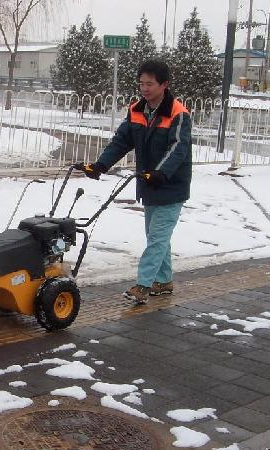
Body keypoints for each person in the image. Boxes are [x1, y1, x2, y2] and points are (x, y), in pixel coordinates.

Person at [81, 59, 192, 304]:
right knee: (157, 236)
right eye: (141, 83)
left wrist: (161, 173)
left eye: (149, 84)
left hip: (170, 185)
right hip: (148, 183)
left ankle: (143, 285)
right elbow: (122, 141)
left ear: (164, 85)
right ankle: (163, 281)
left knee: (157, 238)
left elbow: (178, 149)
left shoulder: (178, 114)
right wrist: (101, 165)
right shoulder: (136, 111)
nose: (144, 88)